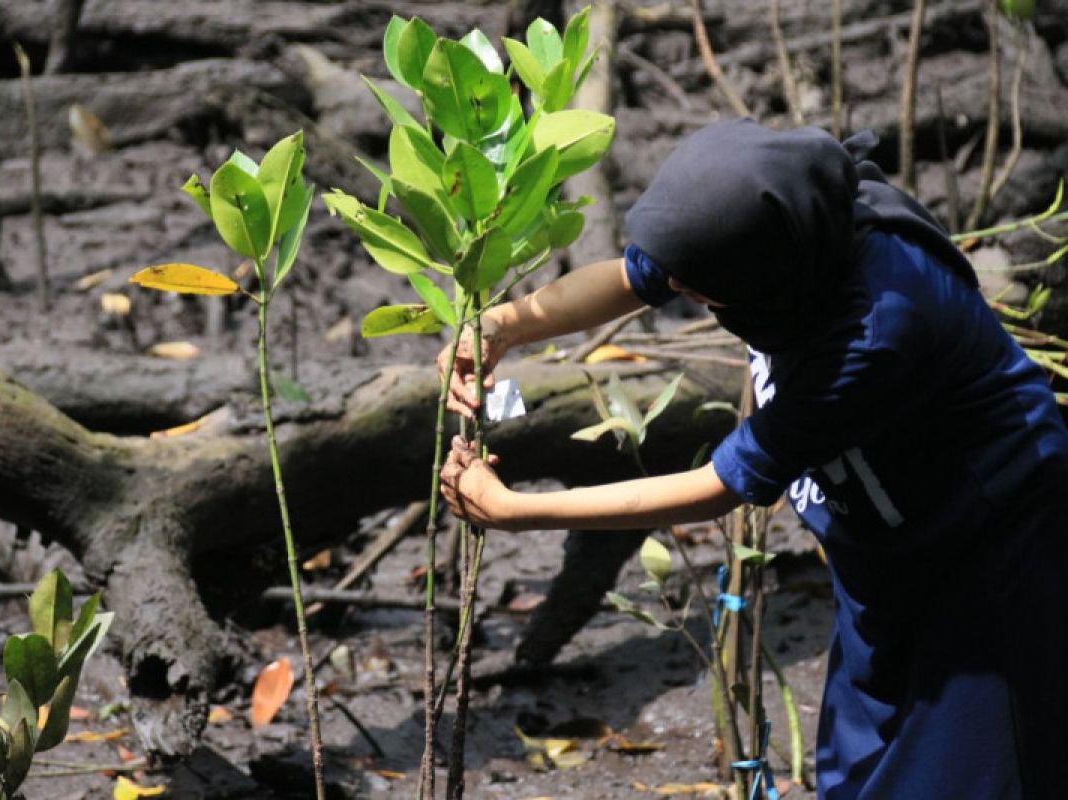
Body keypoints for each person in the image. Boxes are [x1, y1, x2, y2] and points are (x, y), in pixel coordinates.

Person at [437, 119, 1068, 799]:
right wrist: (504, 324)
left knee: (965, 774)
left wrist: (514, 511)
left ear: (761, 282)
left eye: (695, 290)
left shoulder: (875, 329)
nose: (678, 289)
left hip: (991, 544)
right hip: (885, 542)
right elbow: (630, 276)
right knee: (857, 767)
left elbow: (719, 487)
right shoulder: (775, 227)